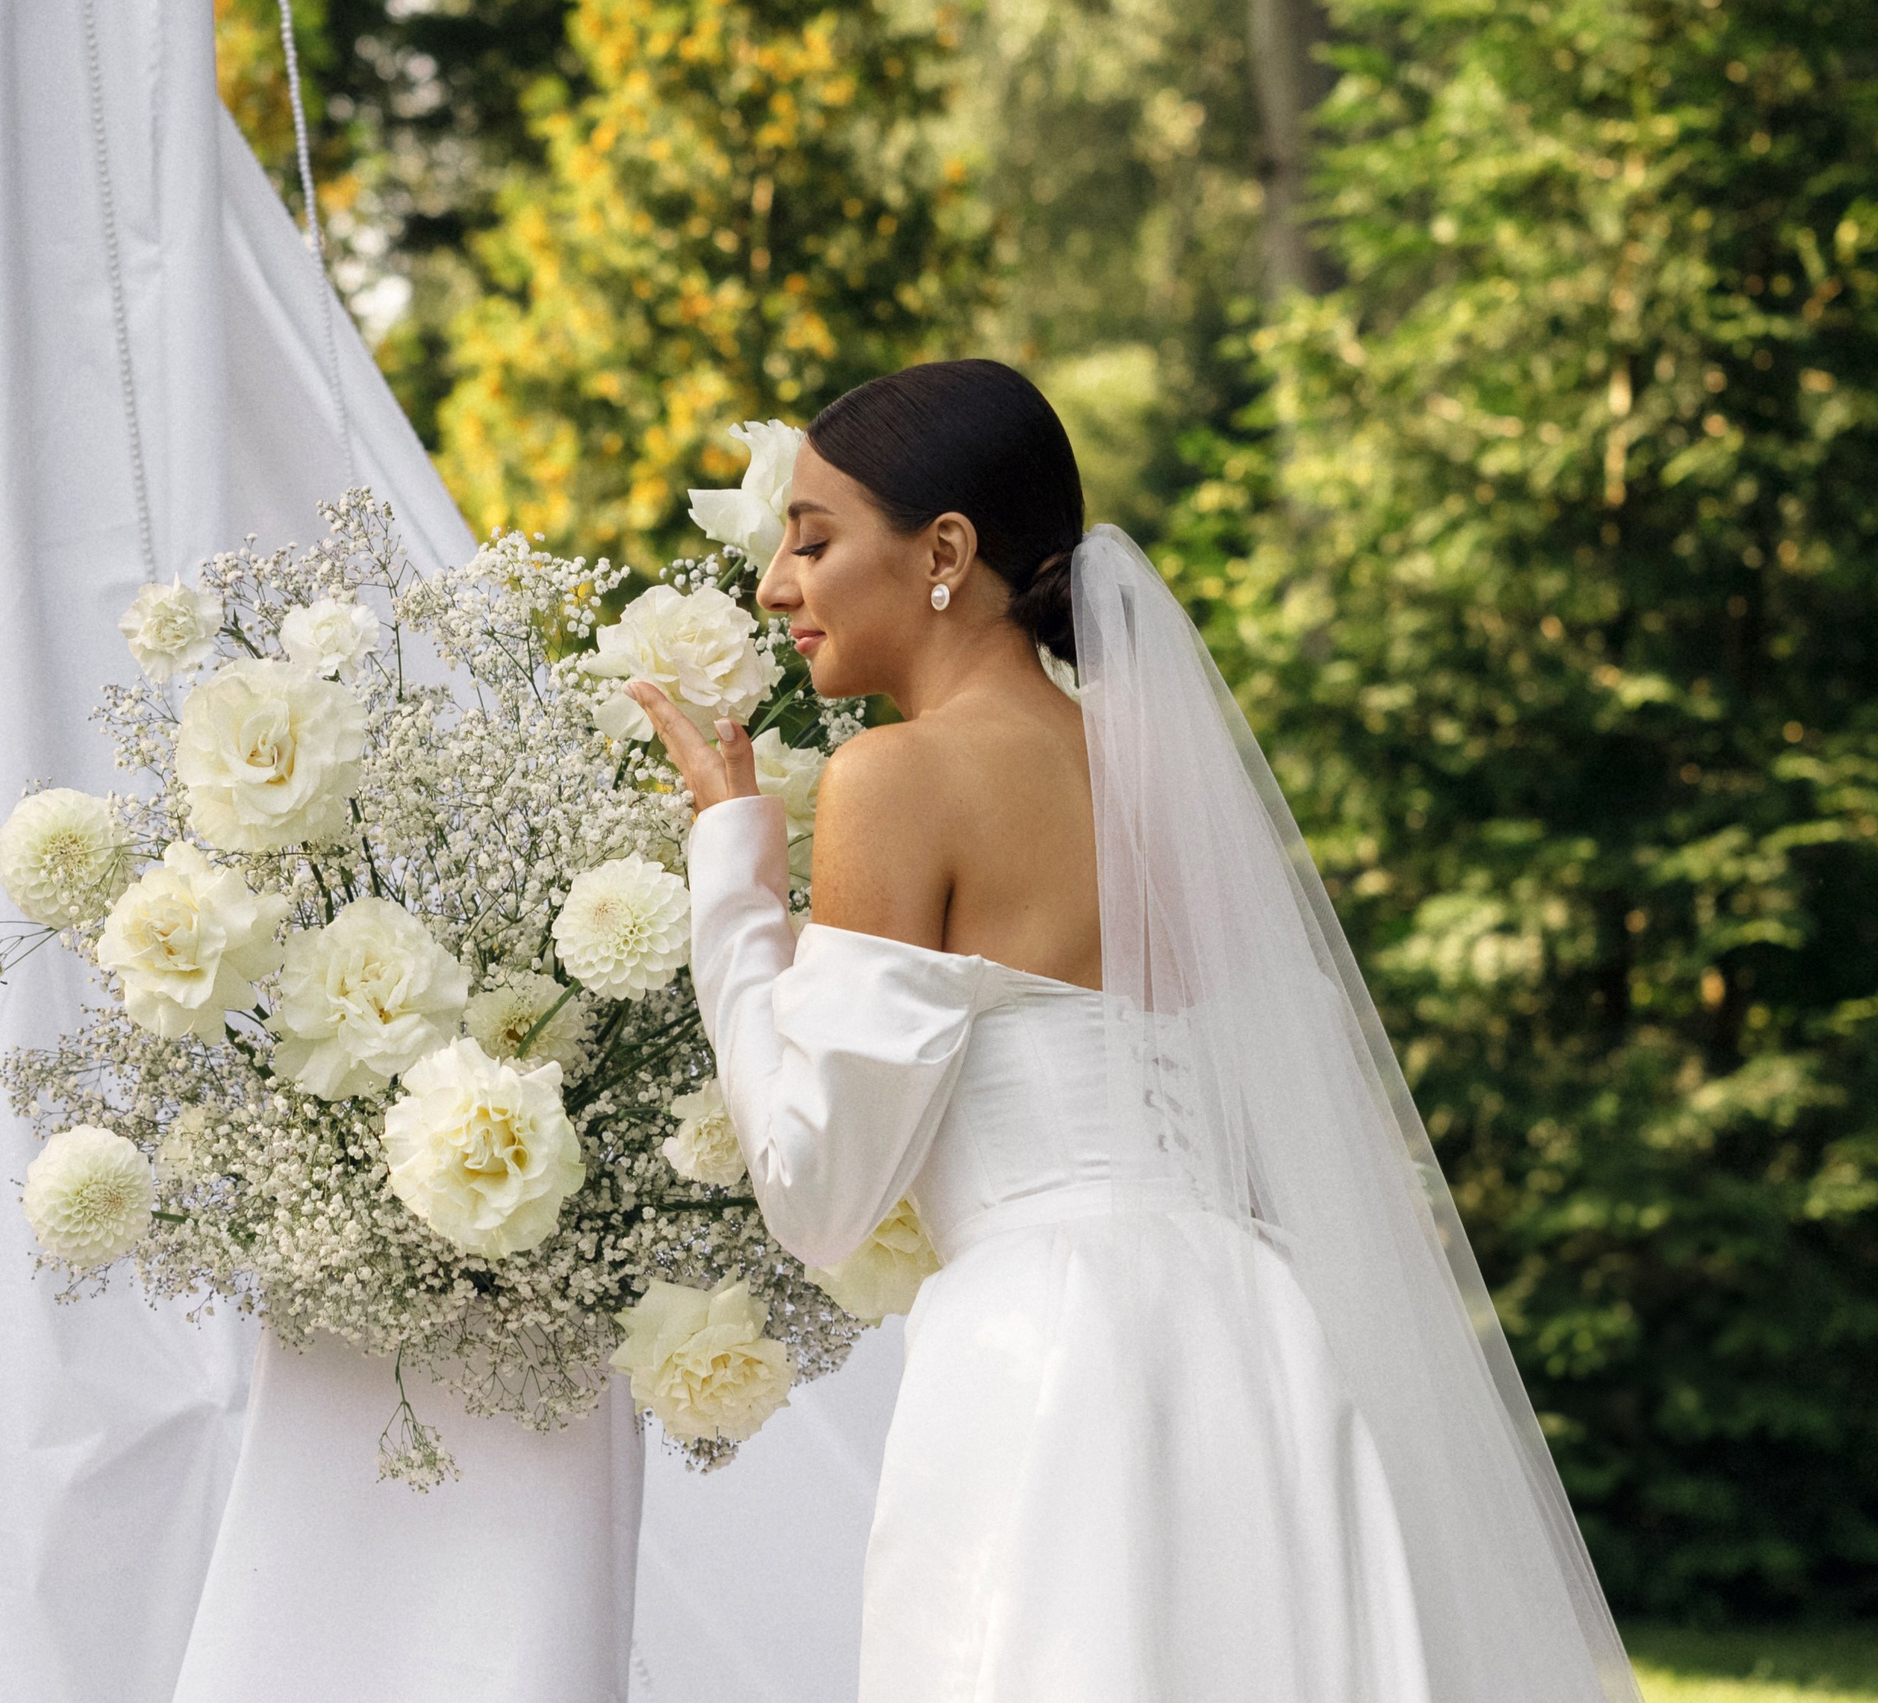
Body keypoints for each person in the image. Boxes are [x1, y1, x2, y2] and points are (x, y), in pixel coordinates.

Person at [626, 360, 1642, 1703]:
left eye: (811, 541)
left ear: (945, 551)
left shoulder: (899, 776)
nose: (774, 586)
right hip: (1261, 1332)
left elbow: (817, 1189)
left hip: (1052, 1357)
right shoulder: (1159, 779)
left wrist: (731, 870)